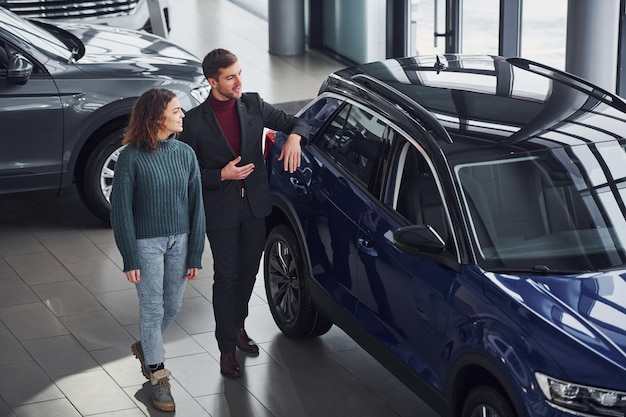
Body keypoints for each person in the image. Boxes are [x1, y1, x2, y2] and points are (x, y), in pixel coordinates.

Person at [179, 48, 309, 378]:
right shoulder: (194, 123)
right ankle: (226, 348)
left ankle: (238, 327)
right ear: (212, 81)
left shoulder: (252, 104)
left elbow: (297, 120)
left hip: (255, 206)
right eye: (230, 76)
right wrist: (221, 175)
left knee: (249, 272)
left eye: (239, 73)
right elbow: (186, 173)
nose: (239, 81)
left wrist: (294, 138)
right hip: (220, 211)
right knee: (227, 276)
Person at [110, 87, 206, 411]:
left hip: (180, 240)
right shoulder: (130, 158)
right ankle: (158, 374)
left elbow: (197, 207)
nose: (183, 115)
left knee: (174, 305)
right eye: (177, 110)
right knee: (152, 310)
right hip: (145, 245)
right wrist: (129, 255)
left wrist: (195, 253)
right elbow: (120, 210)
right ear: (157, 116)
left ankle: (146, 346)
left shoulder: (186, 154)